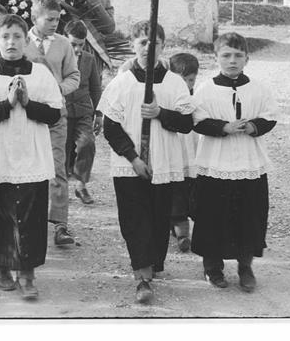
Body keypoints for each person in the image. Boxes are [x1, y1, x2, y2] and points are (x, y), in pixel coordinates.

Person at [0, 14, 62, 300]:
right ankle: (1, 267)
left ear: (26, 40)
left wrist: (28, 103)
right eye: (5, 37)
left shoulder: (40, 74)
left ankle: (27, 274)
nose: (11, 42)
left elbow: (54, 115)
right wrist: (7, 104)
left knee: (30, 217)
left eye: (17, 36)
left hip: (31, 155)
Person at [98, 21, 194, 304]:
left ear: (163, 46)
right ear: (133, 45)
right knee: (134, 218)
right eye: (142, 42)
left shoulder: (174, 82)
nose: (148, 49)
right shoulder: (122, 83)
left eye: (155, 44)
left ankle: (152, 263)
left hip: (163, 163)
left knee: (157, 217)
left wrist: (160, 113)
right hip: (130, 166)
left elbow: (186, 123)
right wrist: (133, 158)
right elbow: (111, 127)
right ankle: (141, 275)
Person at [191, 32, 278, 292]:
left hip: (249, 162)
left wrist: (253, 126)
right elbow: (197, 120)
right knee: (212, 214)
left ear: (247, 59)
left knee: (249, 214)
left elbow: (270, 115)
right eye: (226, 55)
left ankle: (245, 266)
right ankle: (212, 266)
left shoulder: (258, 88)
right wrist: (223, 127)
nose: (232, 61)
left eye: (238, 56)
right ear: (216, 57)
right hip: (215, 162)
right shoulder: (206, 89)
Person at [23, 0, 81, 247]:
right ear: (35, 18)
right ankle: (28, 221)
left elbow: (74, 76)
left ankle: (60, 225)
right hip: (25, 115)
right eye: (49, 19)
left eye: (58, 19)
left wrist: (59, 89)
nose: (55, 24)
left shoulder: (64, 44)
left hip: (56, 114)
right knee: (27, 167)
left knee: (58, 167)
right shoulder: (20, 41)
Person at [63, 19, 103, 205]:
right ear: (64, 39)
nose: (78, 49)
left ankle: (81, 185)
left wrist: (99, 114)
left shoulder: (89, 59)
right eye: (73, 44)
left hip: (83, 111)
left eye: (81, 44)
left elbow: (95, 88)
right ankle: (60, 188)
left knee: (87, 144)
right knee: (62, 149)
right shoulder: (57, 58)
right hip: (62, 111)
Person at [167, 52, 200, 252]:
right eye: (182, 80)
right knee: (176, 194)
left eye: (190, 80)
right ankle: (182, 234)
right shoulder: (167, 100)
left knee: (191, 192)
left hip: (193, 156)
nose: (186, 85)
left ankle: (182, 228)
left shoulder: (197, 99)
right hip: (174, 155)